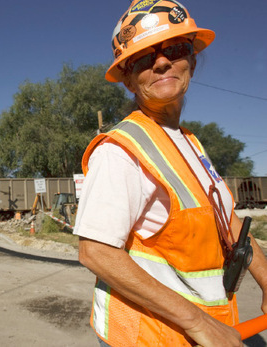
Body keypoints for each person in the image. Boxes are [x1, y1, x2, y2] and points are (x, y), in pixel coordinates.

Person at [73, 1, 267, 346]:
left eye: (174, 49)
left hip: (206, 329)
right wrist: (200, 324)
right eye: (144, 58)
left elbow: (225, 219)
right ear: (129, 80)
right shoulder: (120, 150)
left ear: (191, 60)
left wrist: (266, 279)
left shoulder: (190, 141)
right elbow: (96, 252)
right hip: (151, 336)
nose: (162, 62)